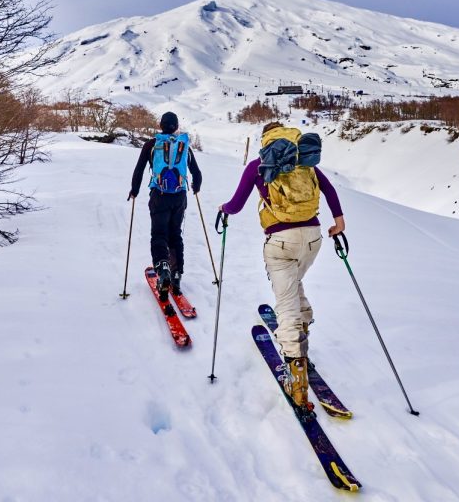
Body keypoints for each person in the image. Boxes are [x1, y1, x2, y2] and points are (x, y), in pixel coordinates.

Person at [219, 121, 345, 409]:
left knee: (285, 302)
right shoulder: (304, 160)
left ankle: (296, 374)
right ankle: (304, 324)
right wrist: (339, 221)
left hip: (280, 242)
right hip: (313, 238)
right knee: (294, 283)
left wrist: (223, 210)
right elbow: (328, 190)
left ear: (266, 140)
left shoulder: (259, 164)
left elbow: (236, 205)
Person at [129, 111, 202, 301]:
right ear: (176, 126)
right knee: (175, 234)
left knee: (159, 234)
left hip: (159, 196)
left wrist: (134, 190)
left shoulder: (152, 145)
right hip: (179, 197)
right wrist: (196, 187)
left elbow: (139, 170)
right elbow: (197, 174)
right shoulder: (184, 146)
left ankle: (163, 270)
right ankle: (176, 274)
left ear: (160, 125)